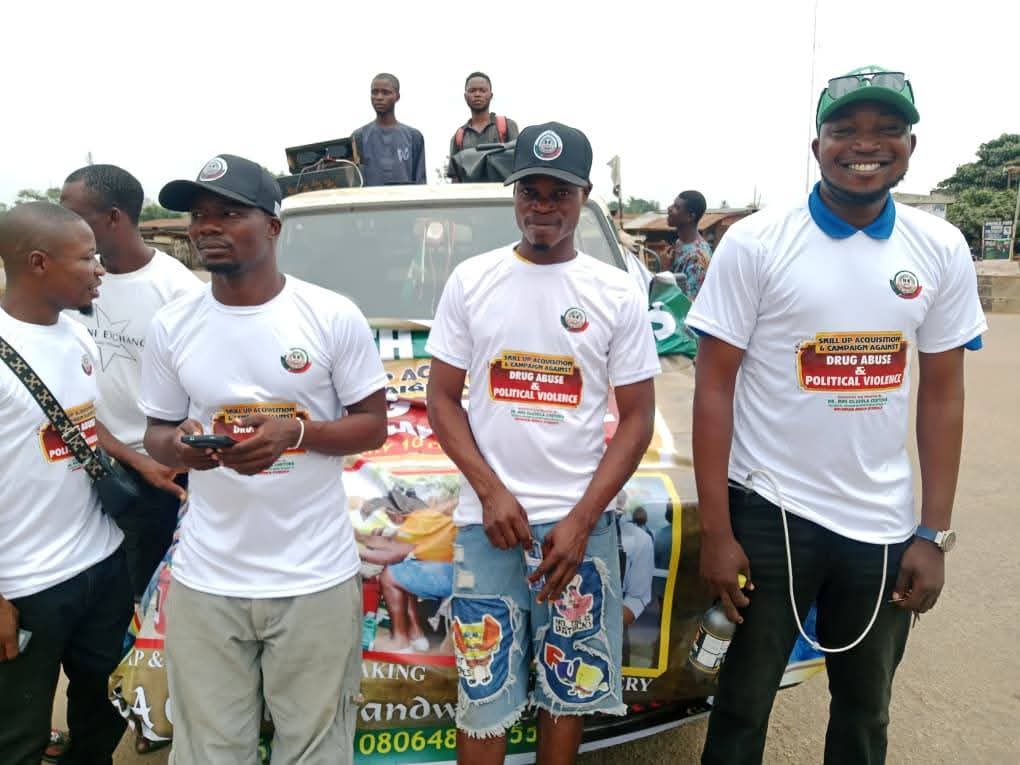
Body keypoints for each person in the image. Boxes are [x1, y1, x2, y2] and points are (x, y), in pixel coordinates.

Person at [687, 67, 987, 764]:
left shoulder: (939, 248)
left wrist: (933, 534)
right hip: (769, 512)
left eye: (887, 130)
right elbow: (713, 389)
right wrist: (719, 532)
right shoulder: (757, 242)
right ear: (816, 144)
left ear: (911, 145)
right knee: (741, 707)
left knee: (864, 712)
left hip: (882, 526)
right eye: (845, 129)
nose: (866, 144)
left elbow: (943, 394)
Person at [139, 154, 388, 764]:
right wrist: (182, 448)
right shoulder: (172, 325)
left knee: (314, 749)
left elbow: (372, 425)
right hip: (207, 578)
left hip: (313, 577)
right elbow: (157, 433)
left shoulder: (330, 315)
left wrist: (295, 433)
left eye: (229, 213)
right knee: (210, 749)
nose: (207, 227)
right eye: (199, 215)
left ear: (273, 227)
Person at [427, 122, 660, 764]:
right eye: (530, 191)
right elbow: (442, 399)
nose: (543, 207)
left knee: (569, 688)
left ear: (584, 197)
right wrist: (491, 492)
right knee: (483, 692)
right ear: (514, 195)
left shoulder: (615, 292)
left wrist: (583, 519)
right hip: (488, 524)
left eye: (560, 193)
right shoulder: (472, 280)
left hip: (577, 529)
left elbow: (637, 418)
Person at [0, 202, 133, 765]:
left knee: (103, 708)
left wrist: (136, 459)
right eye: (87, 258)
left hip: (101, 561)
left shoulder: (77, 335)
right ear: (38, 263)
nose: (99, 269)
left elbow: (82, 421)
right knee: (19, 734)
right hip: (26, 583)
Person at [60, 164, 197, 606]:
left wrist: (156, 459)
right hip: (87, 462)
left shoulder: (178, 291)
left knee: (146, 596)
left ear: (114, 217)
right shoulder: (73, 286)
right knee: (96, 596)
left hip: (160, 475)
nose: (63, 225)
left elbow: (197, 394)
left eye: (73, 215)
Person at [358, 495, 456, 653]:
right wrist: (364, 538)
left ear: (397, 514)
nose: (389, 518)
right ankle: (416, 635)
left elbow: (391, 555)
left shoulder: (413, 523)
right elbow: (391, 545)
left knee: (390, 574)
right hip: (454, 570)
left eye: (389, 515)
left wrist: (355, 552)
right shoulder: (426, 516)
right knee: (404, 571)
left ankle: (400, 642)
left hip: (450, 576)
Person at [352, 73, 426, 186]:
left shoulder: (414, 136)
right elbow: (354, 182)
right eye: (374, 92)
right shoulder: (358, 137)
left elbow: (420, 181)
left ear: (397, 96)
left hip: (404, 197)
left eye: (385, 92)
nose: (379, 97)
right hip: (369, 197)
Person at [446, 72, 519, 182]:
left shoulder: (507, 126)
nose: (477, 94)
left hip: (503, 191)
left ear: (491, 95)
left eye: (482, 90)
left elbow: (519, 165)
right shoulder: (459, 136)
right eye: (472, 90)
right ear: (465, 97)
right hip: (471, 193)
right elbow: (455, 177)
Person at [666, 190, 712, 298]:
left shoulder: (698, 257)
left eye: (677, 207)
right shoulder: (679, 243)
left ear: (690, 217)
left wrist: (664, 271)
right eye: (673, 205)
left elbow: (686, 303)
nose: (669, 209)